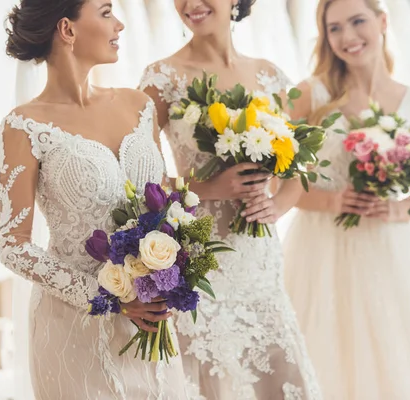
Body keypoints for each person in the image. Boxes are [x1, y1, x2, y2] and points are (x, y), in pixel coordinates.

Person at [0, 1, 188, 398]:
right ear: (67, 29)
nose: (119, 24)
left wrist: (168, 271)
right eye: (105, 12)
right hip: (73, 323)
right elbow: (12, 245)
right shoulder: (23, 126)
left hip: (151, 317)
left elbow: (164, 199)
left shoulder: (139, 105)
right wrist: (108, 298)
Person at [139, 0, 321, 398]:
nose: (191, 4)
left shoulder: (269, 74)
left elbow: (301, 165)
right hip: (203, 258)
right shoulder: (161, 78)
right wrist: (208, 188)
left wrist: (278, 205)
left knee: (279, 374)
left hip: (259, 260)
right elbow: (141, 178)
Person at [282, 0, 410, 398]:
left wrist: (398, 207)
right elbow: (280, 189)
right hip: (321, 248)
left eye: (357, 21)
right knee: (325, 354)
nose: (348, 37)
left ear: (382, 21)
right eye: (335, 28)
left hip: (389, 249)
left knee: (395, 361)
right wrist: (333, 201)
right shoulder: (309, 95)